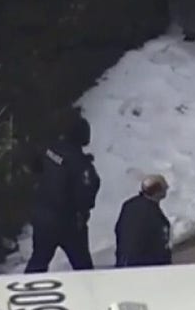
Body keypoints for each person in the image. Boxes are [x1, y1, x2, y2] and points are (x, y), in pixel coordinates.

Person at [24, 114, 101, 273]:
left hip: (42, 216)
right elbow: (86, 195)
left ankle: (26, 290)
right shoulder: (81, 165)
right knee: (83, 266)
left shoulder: (50, 150)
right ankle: (91, 294)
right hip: (68, 222)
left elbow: (34, 165)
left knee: (39, 260)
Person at [114, 174, 172, 268]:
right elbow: (159, 245)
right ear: (157, 190)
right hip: (146, 267)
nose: (167, 188)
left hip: (124, 262)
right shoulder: (153, 215)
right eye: (164, 187)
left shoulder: (129, 206)